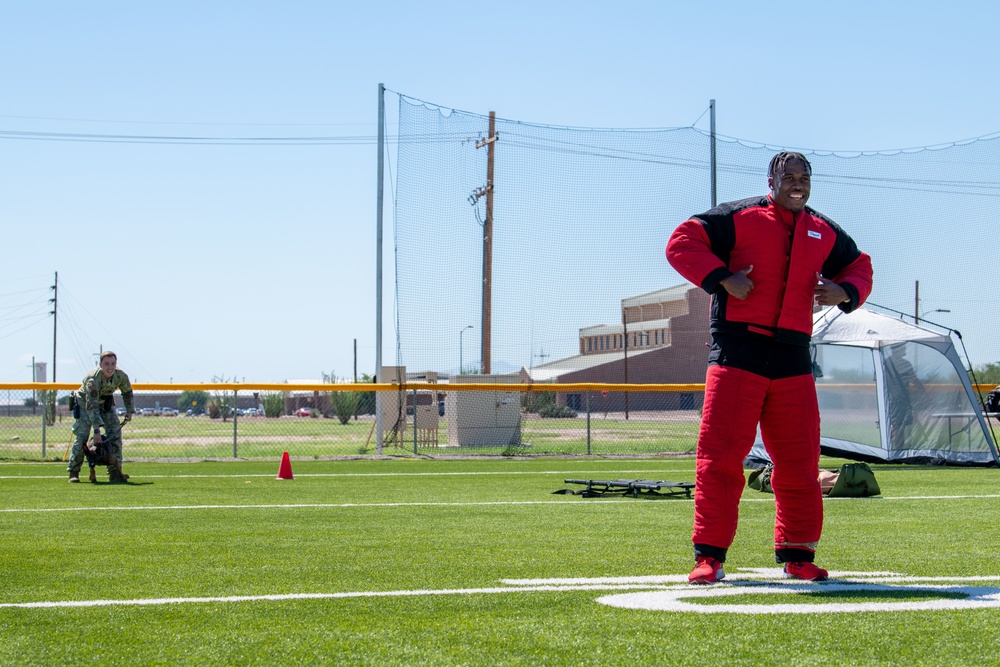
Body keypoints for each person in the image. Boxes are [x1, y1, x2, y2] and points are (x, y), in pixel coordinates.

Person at [666, 152, 873, 584]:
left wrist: (844, 290)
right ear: (771, 180)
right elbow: (682, 242)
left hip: (793, 358)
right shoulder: (738, 217)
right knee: (720, 460)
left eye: (803, 177)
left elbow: (860, 265)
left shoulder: (823, 230)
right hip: (737, 354)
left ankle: (799, 555)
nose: (797, 184)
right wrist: (722, 277)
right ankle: (709, 559)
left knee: (799, 464)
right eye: (788, 177)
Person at [67, 351, 136, 483]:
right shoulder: (93, 379)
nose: (110, 367)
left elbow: (127, 392)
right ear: (100, 365)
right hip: (86, 405)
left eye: (113, 364)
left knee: (115, 437)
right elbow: (92, 406)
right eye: (106, 364)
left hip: (105, 403)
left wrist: (130, 410)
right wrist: (97, 431)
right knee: (82, 437)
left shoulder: (120, 375)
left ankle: (115, 472)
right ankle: (73, 471)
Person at [884, 345, 925, 447]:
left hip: (890, 400)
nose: (905, 350)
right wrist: (926, 394)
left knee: (897, 426)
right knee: (899, 427)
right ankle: (898, 450)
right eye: (904, 348)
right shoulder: (904, 364)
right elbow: (915, 380)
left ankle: (895, 448)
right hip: (900, 400)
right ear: (898, 350)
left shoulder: (884, 362)